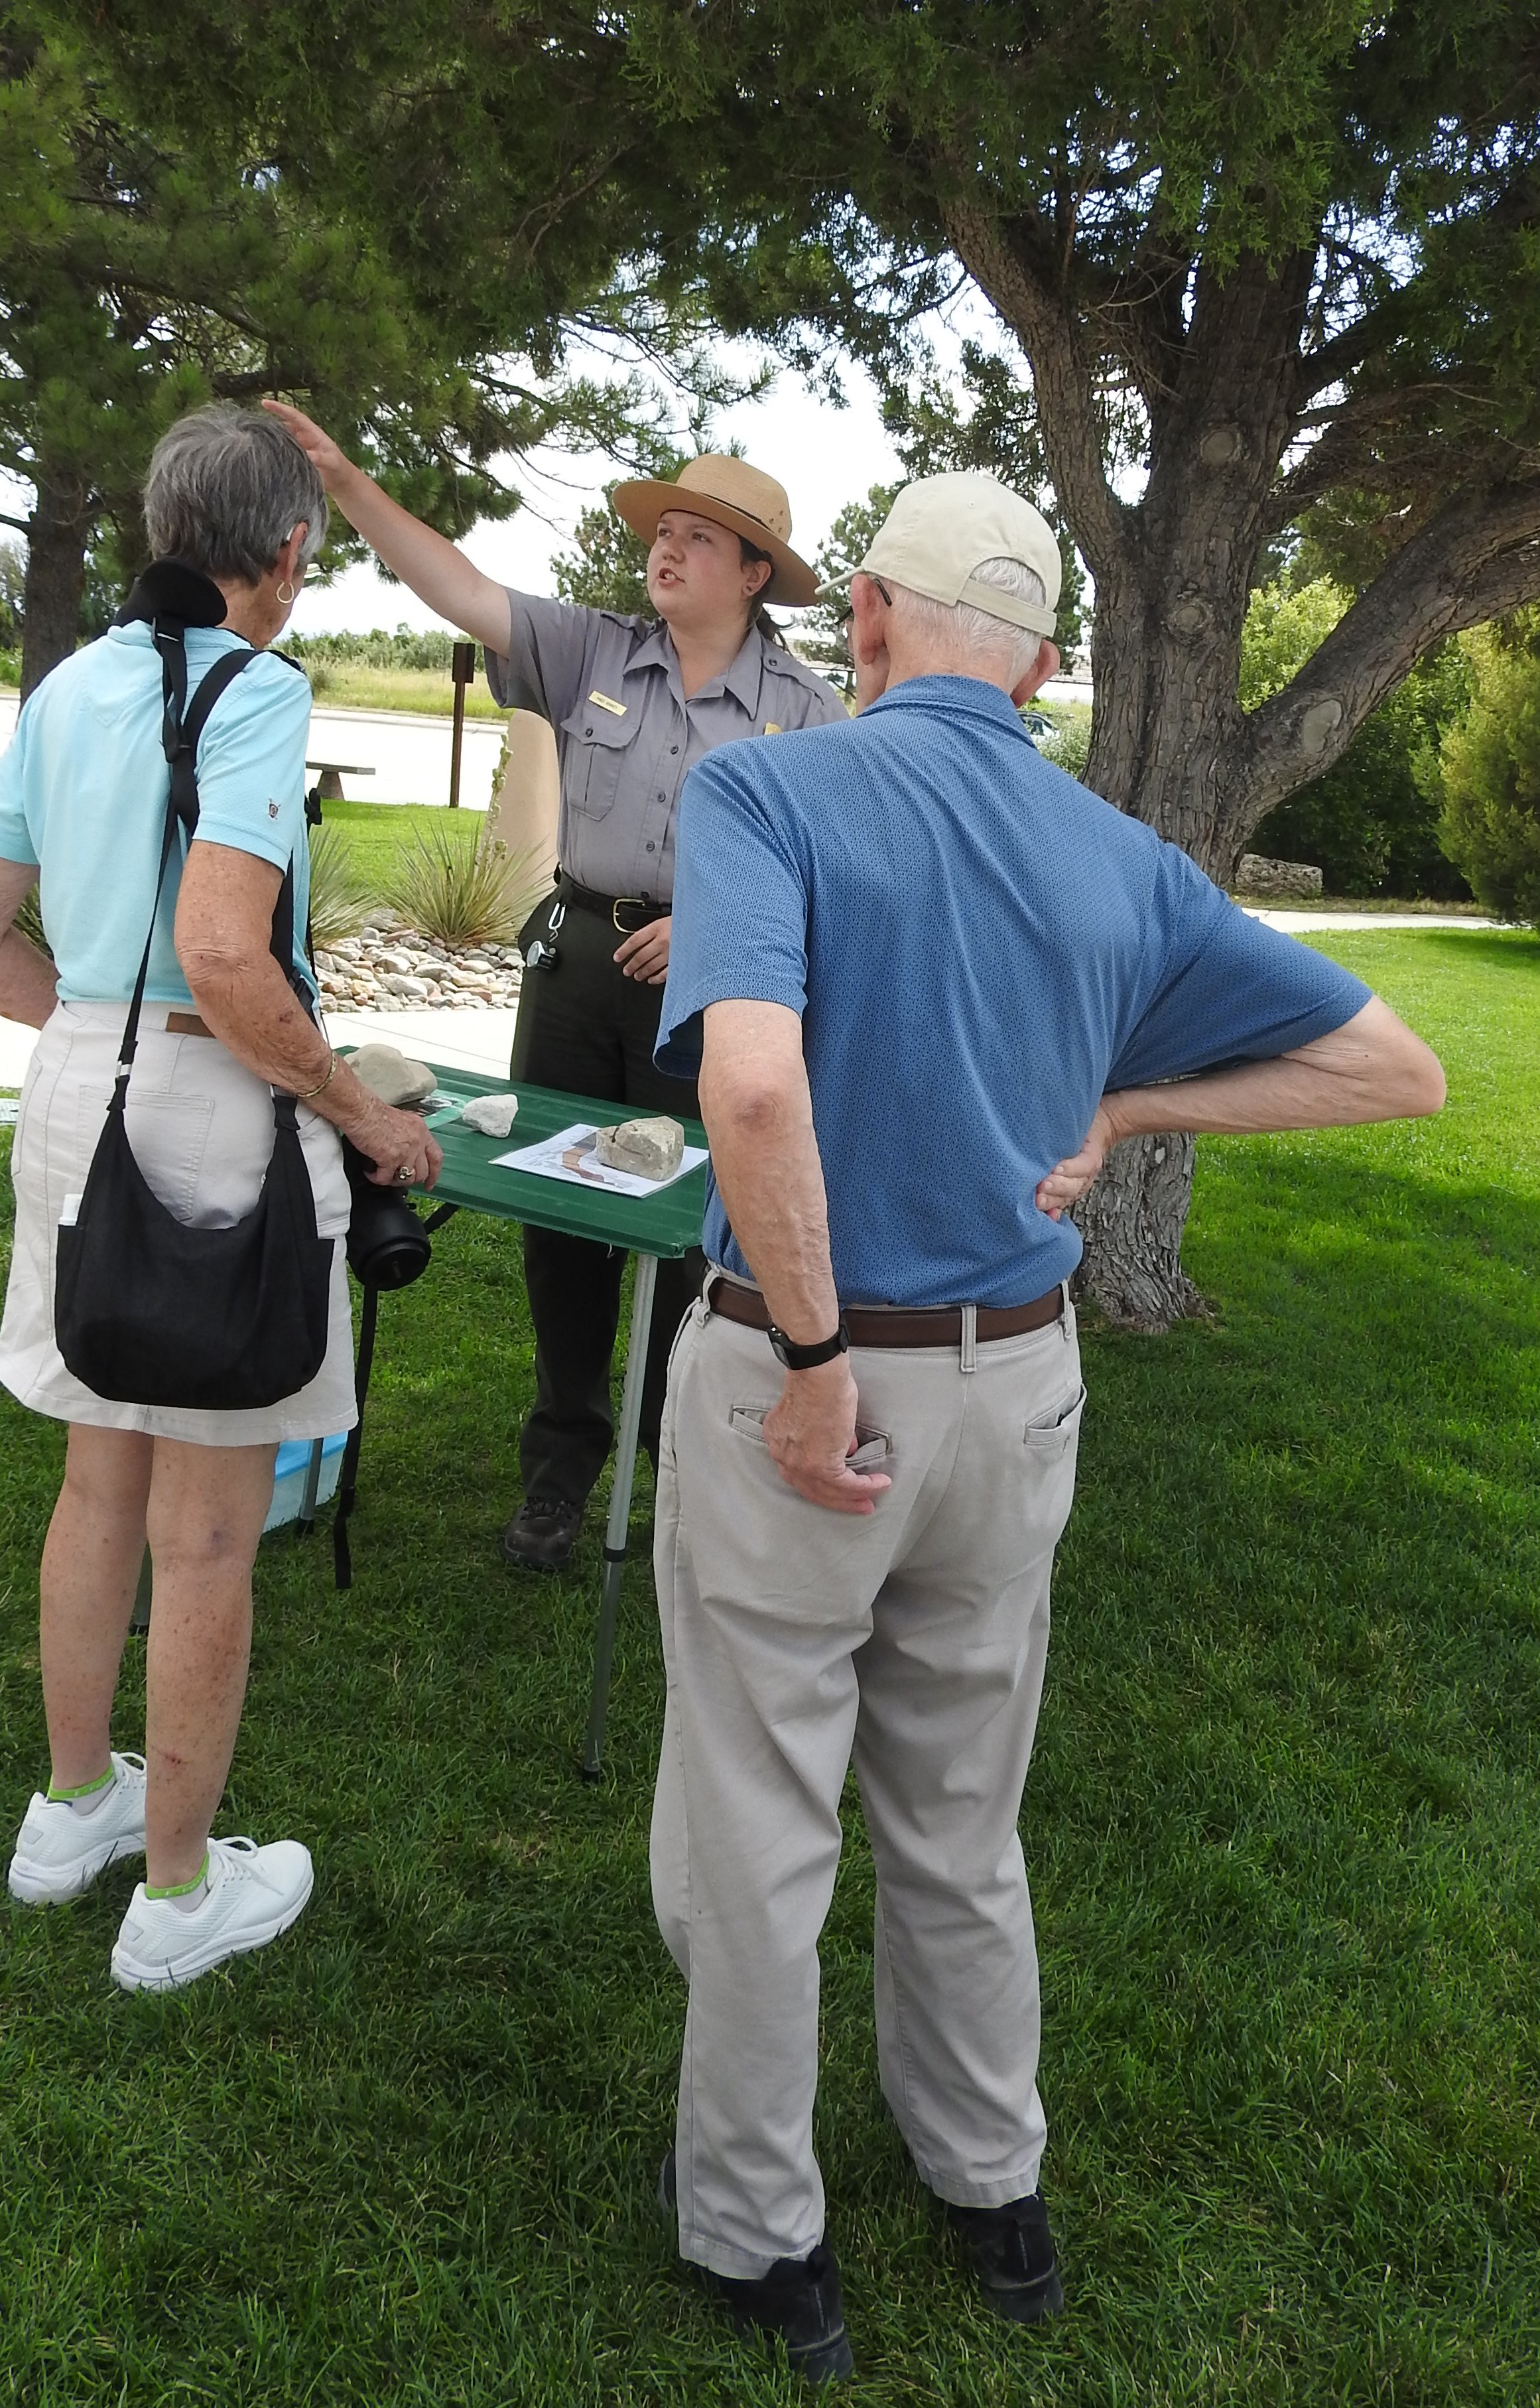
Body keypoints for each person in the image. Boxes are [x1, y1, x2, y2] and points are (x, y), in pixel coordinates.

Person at [646, 472, 1447, 2381]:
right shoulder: (1122, 857)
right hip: (1017, 1384)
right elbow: (1391, 1066)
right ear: (1043, 662)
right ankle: (990, 2179)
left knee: (759, 1821)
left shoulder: (767, 789)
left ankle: (765, 2238)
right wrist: (1130, 1113)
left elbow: (751, 1094)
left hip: (801, 1376)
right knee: (960, 1801)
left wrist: (825, 1357)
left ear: (864, 613)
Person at [0, 404, 442, 1995]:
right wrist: (356, 1106)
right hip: (214, 1108)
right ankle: (173, 1888)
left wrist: (91, 1029)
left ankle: (71, 1805)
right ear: (287, 550)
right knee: (208, 1532)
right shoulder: (254, 685)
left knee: (99, 1487)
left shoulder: (74, 680)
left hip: (80, 1085)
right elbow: (224, 953)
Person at [263, 399, 848, 1572]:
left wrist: (714, 924)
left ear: (752, 573)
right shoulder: (587, 649)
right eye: (662, 529)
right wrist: (348, 484)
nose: (664, 549)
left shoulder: (807, 713)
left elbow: (828, 883)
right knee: (562, 1227)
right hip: (577, 965)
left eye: (696, 536)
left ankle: (680, 1463)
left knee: (695, 1232)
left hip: (714, 986)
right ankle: (560, 1473)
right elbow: (461, 588)